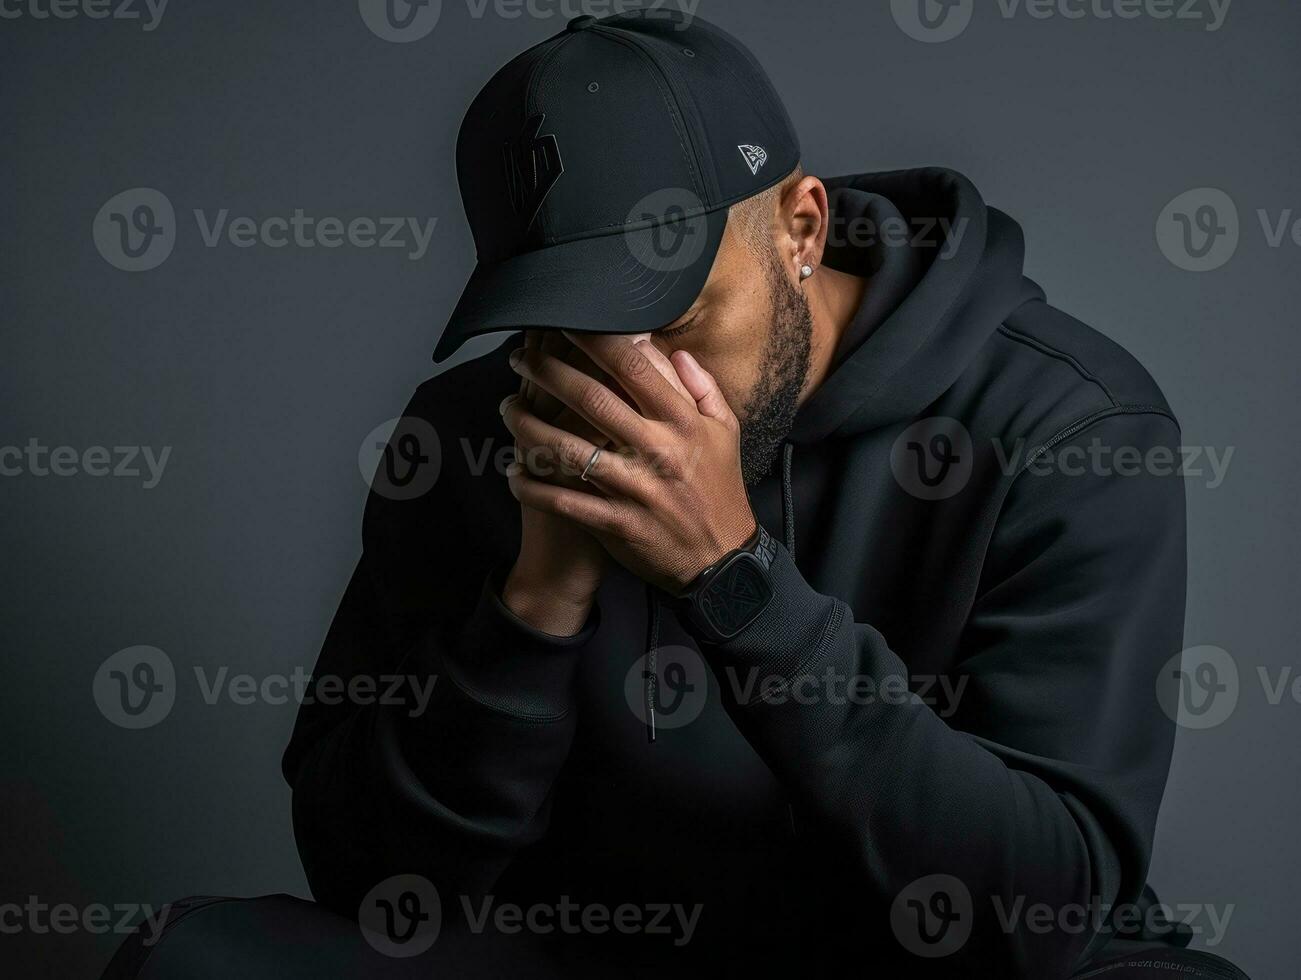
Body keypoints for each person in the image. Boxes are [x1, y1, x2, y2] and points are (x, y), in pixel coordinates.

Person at [104, 10, 1250, 979]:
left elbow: (1043, 908)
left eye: (678, 317)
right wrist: (534, 594)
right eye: (578, 322)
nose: (635, 376)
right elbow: (374, 890)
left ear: (800, 228)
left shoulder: (1070, 422)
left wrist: (737, 582)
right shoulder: (480, 432)